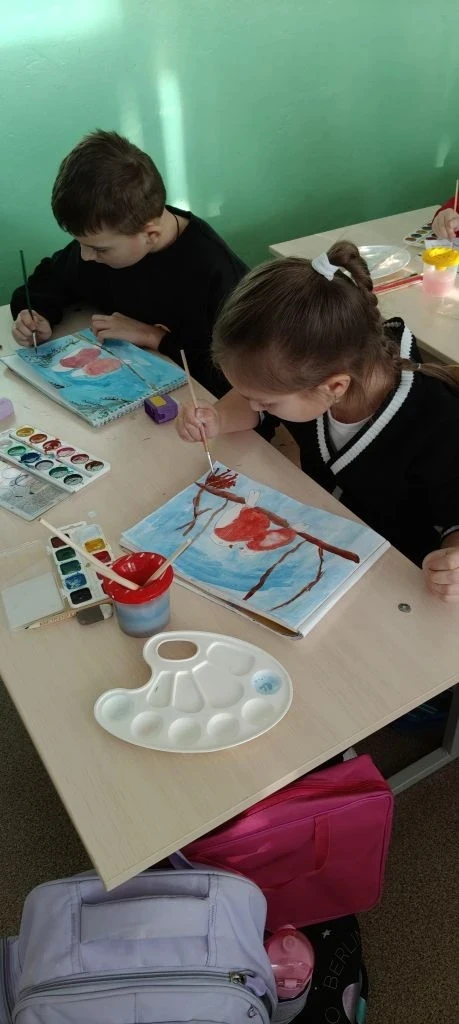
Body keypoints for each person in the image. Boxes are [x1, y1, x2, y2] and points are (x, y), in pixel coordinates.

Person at [177, 242, 459, 602]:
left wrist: (454, 564)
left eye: (266, 401)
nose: (254, 405)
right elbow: (252, 404)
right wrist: (216, 417)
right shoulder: (316, 372)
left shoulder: (435, 420)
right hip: (323, 536)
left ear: (334, 387)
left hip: (398, 574)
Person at [10, 130, 248, 397]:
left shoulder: (216, 272)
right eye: (80, 243)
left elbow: (237, 374)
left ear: (151, 235)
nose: (85, 256)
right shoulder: (110, 237)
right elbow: (50, 279)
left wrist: (154, 337)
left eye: (98, 249)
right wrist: (36, 315)